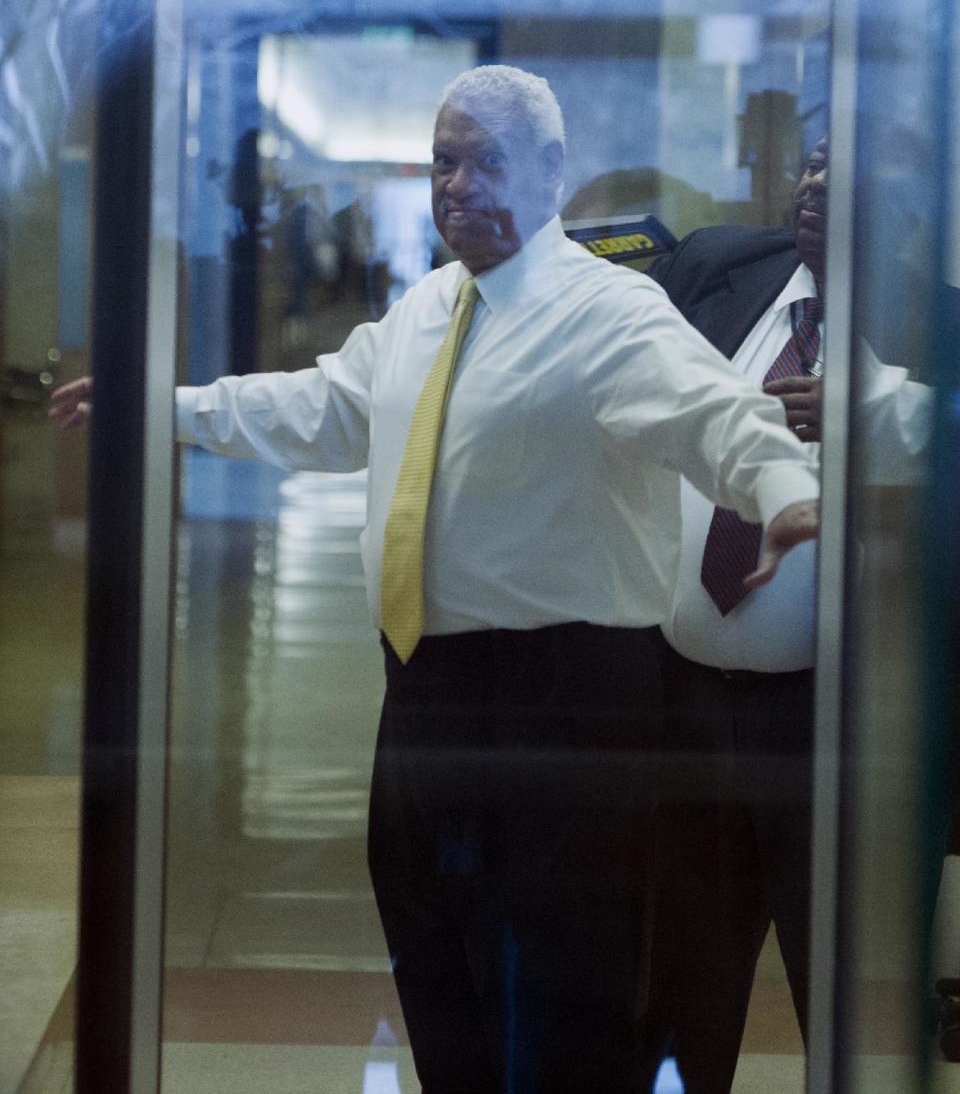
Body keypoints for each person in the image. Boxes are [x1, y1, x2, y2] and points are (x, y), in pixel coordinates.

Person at [51, 66, 821, 1094]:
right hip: (426, 691)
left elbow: (716, 414)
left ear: (551, 172)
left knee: (567, 993)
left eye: (486, 161)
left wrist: (785, 488)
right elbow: (323, 405)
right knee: (438, 959)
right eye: (443, 161)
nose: (456, 184)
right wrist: (166, 405)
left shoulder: (610, 312)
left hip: (570, 701)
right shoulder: (428, 307)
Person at [638, 135, 931, 1093]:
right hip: (683, 707)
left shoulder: (940, 327)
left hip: (842, 735)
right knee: (678, 988)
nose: (815, 184)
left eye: (849, 167)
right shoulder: (722, 265)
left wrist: (879, 417)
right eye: (809, 162)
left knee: (847, 1000)